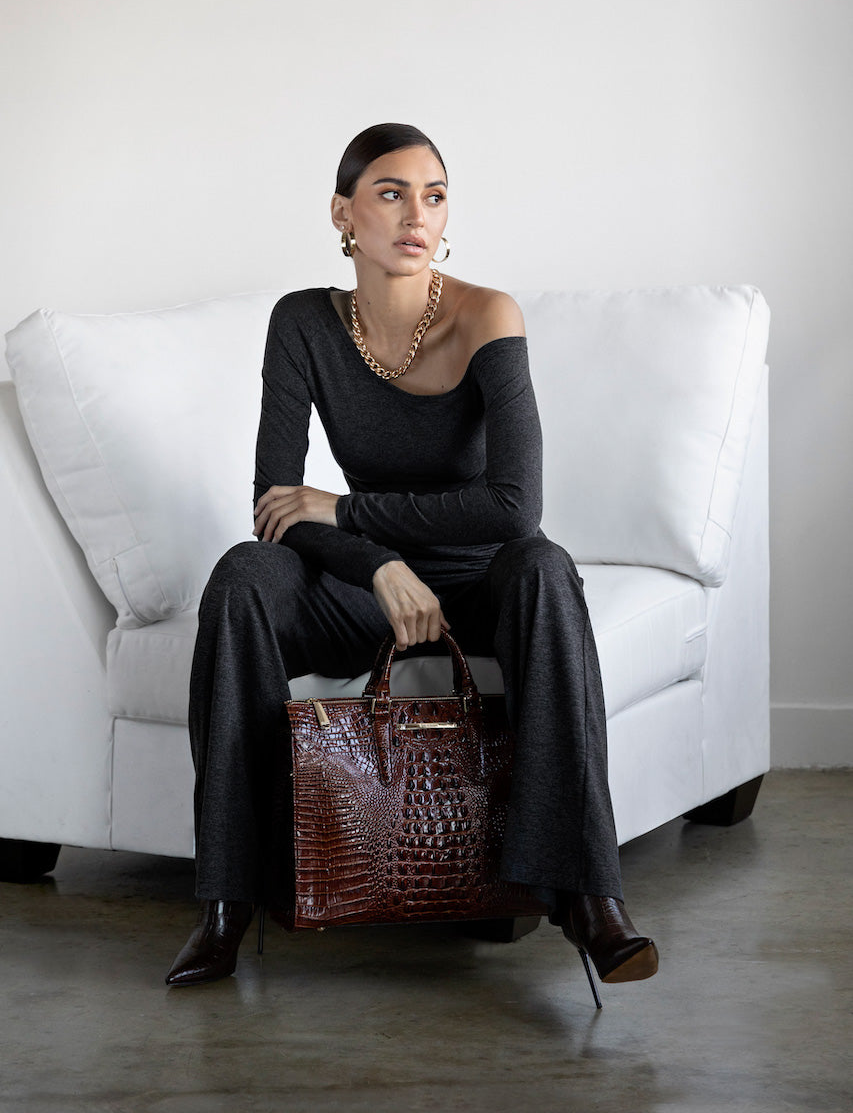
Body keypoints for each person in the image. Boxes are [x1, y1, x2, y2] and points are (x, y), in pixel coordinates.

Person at [166, 122, 659, 997]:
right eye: (390, 192)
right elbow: (277, 502)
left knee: (547, 568)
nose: (415, 214)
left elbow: (514, 505)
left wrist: (348, 508)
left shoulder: (486, 315)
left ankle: (588, 898)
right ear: (342, 213)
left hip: (481, 576)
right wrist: (375, 564)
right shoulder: (303, 322)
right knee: (244, 574)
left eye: (433, 195)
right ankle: (224, 901)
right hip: (368, 584)